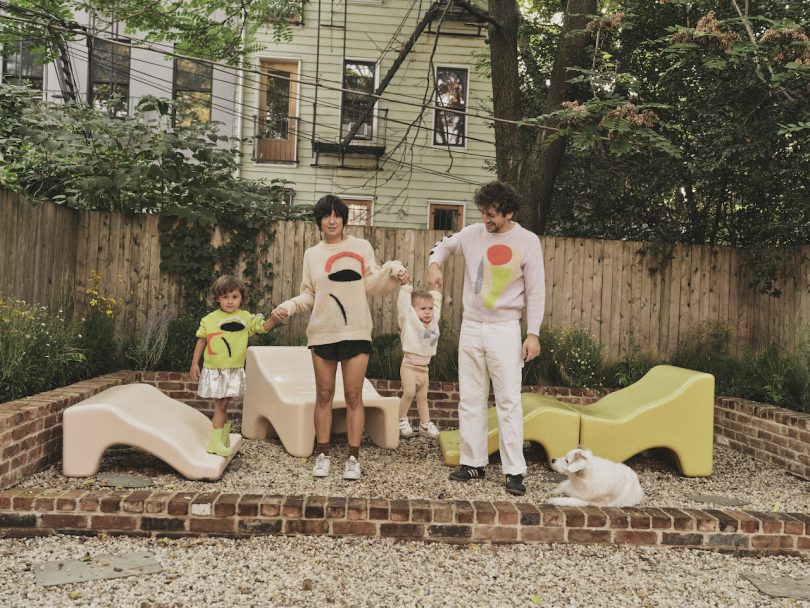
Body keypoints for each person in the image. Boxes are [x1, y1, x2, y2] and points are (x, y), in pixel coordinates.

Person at [271, 194, 408, 480]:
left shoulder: (361, 247)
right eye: (326, 215)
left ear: (343, 218)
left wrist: (393, 270)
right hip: (322, 333)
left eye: (337, 215)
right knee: (323, 395)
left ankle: (353, 459)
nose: (332, 220)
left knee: (354, 395)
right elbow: (309, 292)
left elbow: (371, 282)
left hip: (356, 332)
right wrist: (288, 307)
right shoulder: (312, 254)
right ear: (319, 221)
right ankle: (322, 455)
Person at [427, 180, 545, 496]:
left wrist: (532, 333)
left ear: (508, 213)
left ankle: (514, 471)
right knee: (471, 398)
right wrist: (435, 265)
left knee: (508, 400)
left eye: (491, 214)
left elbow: (536, 291)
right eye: (483, 212)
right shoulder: (472, 234)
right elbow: (442, 245)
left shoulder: (528, 241)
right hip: (472, 327)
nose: (486, 219)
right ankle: (473, 463)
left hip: (506, 328)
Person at [190, 275, 277, 457]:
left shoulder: (245, 318)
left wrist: (275, 318)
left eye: (234, 297)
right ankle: (215, 443)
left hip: (234, 369)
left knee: (225, 404)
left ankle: (222, 438)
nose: (230, 301)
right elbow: (201, 341)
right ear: (217, 298)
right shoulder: (209, 319)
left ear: (241, 299)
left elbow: (263, 327)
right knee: (220, 405)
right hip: (215, 370)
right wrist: (194, 364)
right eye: (225, 297)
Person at [396, 285, 443, 438]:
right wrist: (405, 288)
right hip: (409, 366)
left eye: (430, 308)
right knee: (409, 393)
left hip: (424, 369)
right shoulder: (408, 320)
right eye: (423, 308)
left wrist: (436, 292)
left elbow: (437, 306)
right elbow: (403, 306)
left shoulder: (433, 323)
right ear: (412, 310)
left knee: (422, 398)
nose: (428, 311)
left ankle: (424, 424)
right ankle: (399, 419)